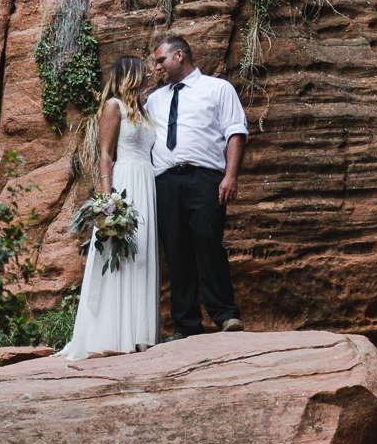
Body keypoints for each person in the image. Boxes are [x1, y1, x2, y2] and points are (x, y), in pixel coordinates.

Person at [145, 34, 248, 338]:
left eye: (161, 60)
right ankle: (186, 324)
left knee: (208, 243)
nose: (157, 67)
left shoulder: (218, 88)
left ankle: (225, 315)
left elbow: (235, 132)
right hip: (164, 181)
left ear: (179, 56)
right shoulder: (154, 100)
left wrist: (231, 176)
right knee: (175, 251)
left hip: (204, 177)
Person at [62, 54, 160, 359]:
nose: (149, 75)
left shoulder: (142, 111)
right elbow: (105, 154)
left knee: (142, 253)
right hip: (125, 181)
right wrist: (108, 200)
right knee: (121, 252)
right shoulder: (113, 107)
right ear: (129, 75)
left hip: (147, 181)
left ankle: (140, 333)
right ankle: (113, 334)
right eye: (143, 72)